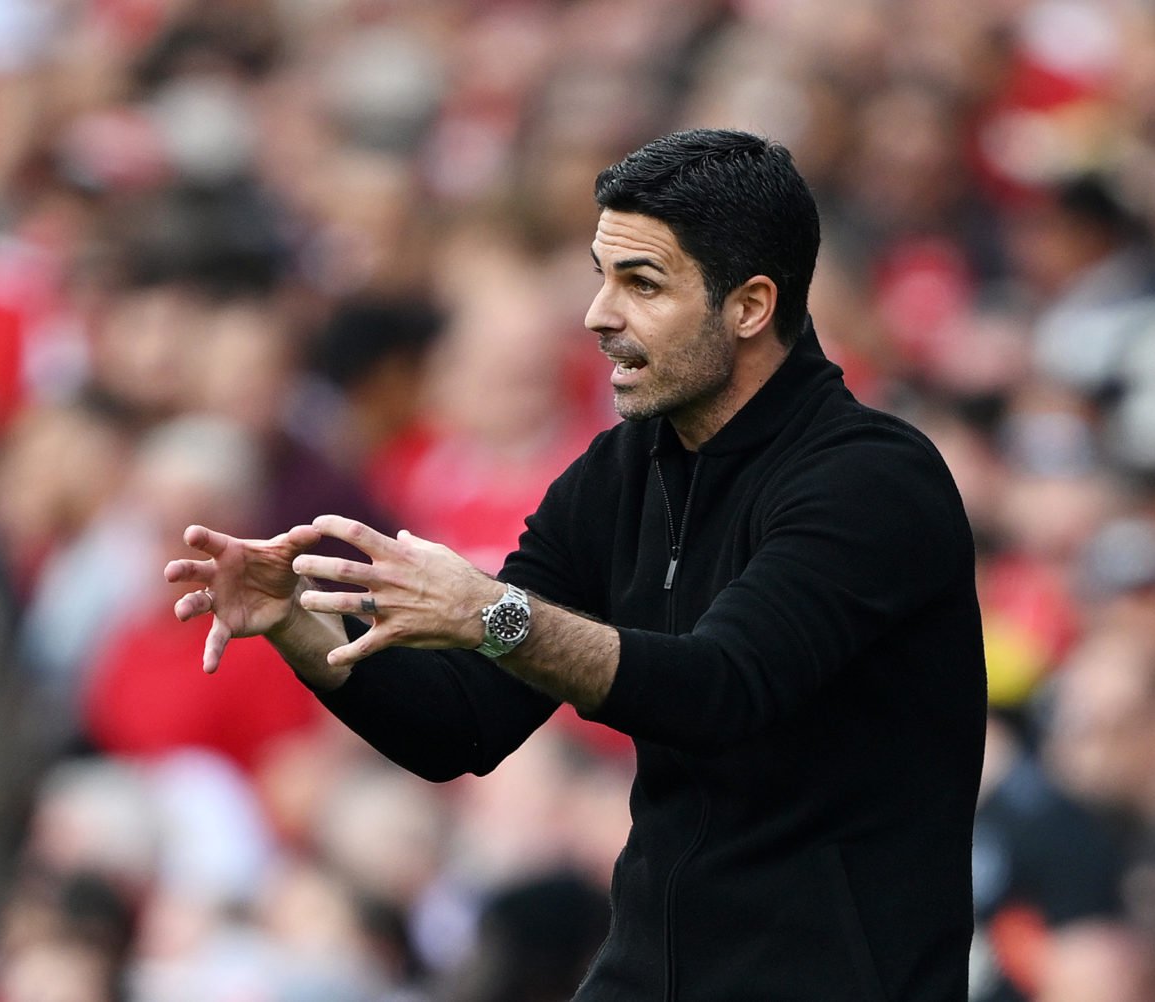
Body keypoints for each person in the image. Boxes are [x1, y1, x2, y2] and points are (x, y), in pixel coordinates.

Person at [166, 129, 987, 1001]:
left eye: (641, 283)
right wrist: (296, 623)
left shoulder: (872, 480)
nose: (598, 314)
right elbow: (464, 729)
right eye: (602, 275)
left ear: (749, 306)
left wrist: (493, 616)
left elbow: (724, 691)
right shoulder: (619, 473)